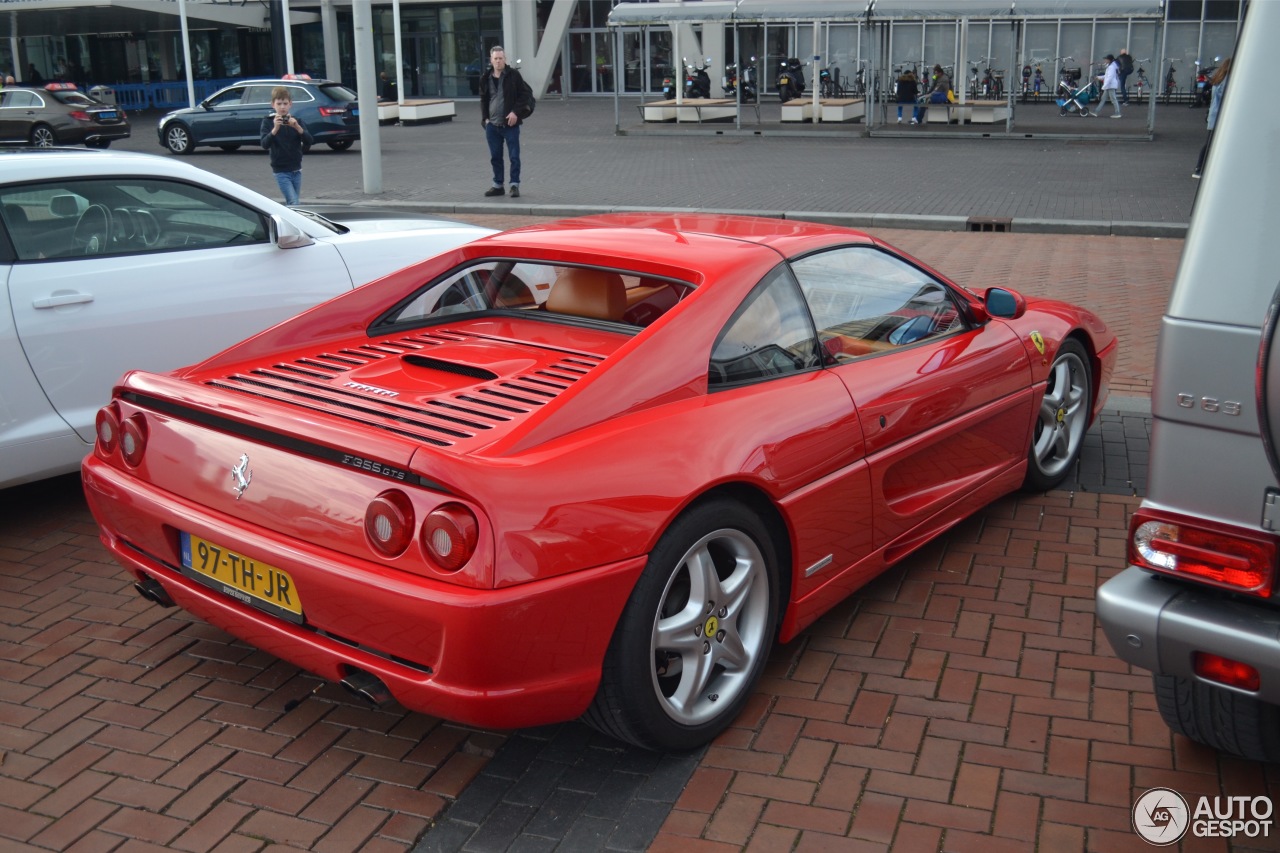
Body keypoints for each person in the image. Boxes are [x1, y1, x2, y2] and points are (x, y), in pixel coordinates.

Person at [479, 45, 534, 199]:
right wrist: (485, 119)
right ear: (491, 60)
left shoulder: (513, 75)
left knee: (514, 156)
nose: (498, 61)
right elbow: (483, 99)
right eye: (495, 58)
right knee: (495, 157)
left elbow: (524, 95)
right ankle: (498, 185)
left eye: (500, 58)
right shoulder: (485, 77)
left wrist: (515, 112)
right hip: (492, 125)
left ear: (505, 59)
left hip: (510, 125)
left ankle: (514, 185)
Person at [259, 86, 313, 206]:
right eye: (279, 104)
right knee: (294, 202)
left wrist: (297, 127)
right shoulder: (268, 121)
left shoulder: (297, 120)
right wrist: (275, 128)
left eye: (285, 103)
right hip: (281, 170)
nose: (282, 107)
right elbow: (264, 144)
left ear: (290, 104)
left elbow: (309, 140)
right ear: (273, 105)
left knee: (293, 203)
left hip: (296, 169)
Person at [1193, 56, 1231, 179]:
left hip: (1214, 116)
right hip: (1220, 117)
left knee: (1209, 143)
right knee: (1212, 144)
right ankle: (1200, 168)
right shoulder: (1227, 81)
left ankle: (1200, 168)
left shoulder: (1218, 79)